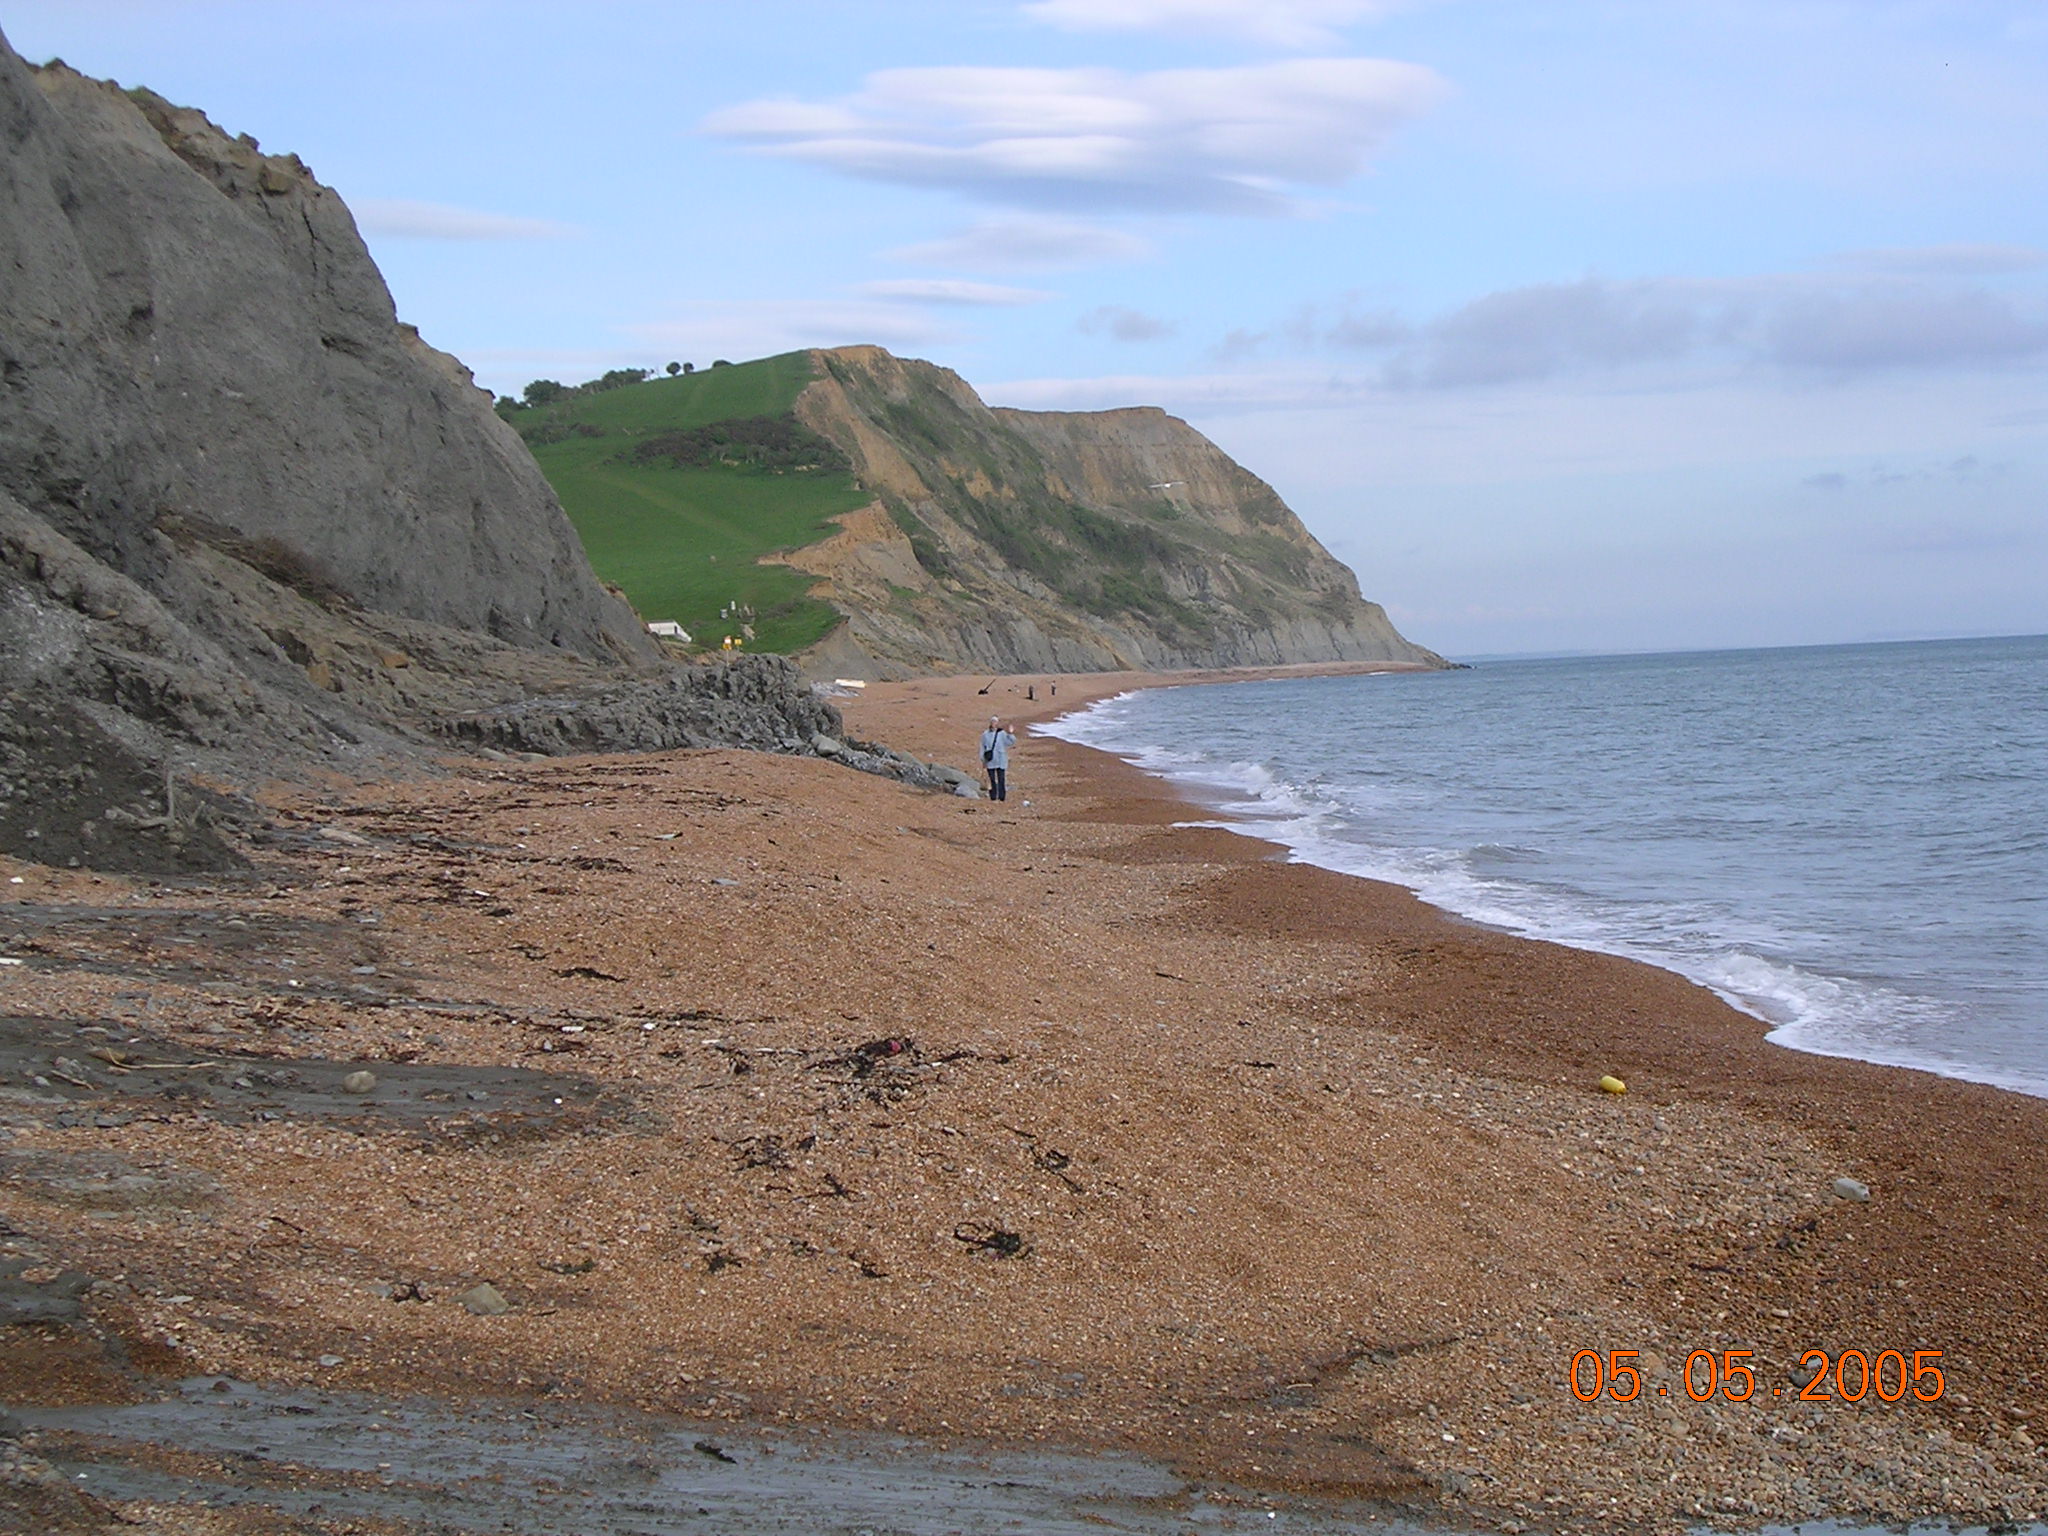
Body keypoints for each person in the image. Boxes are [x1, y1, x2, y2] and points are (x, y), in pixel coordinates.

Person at [980, 716, 1016, 802]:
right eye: (992, 721)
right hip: (990, 760)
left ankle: (1002, 797)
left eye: (995, 722)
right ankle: (993, 796)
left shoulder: (1002, 733)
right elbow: (982, 747)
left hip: (1001, 759)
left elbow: (1010, 742)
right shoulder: (985, 734)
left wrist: (1011, 734)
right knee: (991, 778)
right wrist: (982, 759)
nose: (994, 723)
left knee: (1001, 778)